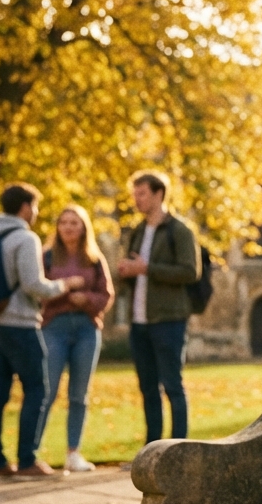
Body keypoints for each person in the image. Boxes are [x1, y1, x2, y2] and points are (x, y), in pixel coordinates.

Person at [0, 184, 86, 477]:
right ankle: (27, 460)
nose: (36, 212)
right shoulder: (25, 238)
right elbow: (32, 284)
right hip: (19, 323)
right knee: (37, 389)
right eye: (35, 206)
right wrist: (64, 285)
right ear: (25, 207)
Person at [117, 170, 201, 446]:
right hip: (139, 320)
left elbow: (190, 271)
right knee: (148, 388)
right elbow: (137, 270)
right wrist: (127, 271)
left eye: (142, 194)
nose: (137, 200)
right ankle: (152, 449)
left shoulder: (180, 230)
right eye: (135, 194)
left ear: (159, 194)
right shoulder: (138, 231)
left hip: (169, 319)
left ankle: (177, 450)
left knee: (173, 386)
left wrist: (147, 269)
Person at [41, 205, 115, 473]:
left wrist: (87, 299)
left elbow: (106, 296)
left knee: (79, 394)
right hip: (54, 327)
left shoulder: (94, 259)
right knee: (46, 391)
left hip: (86, 328)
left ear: (84, 227)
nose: (69, 227)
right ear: (57, 227)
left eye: (74, 222)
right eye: (64, 222)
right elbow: (36, 291)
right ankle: (32, 453)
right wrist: (64, 289)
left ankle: (73, 453)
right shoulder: (47, 257)